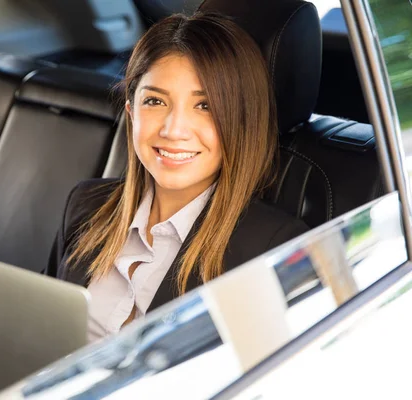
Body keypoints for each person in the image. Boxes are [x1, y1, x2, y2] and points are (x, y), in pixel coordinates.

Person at [47, 12, 309, 342]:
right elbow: (36, 335)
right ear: (131, 112)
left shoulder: (272, 247)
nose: (173, 130)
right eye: (155, 101)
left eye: (205, 106)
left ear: (242, 122)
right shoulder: (85, 207)